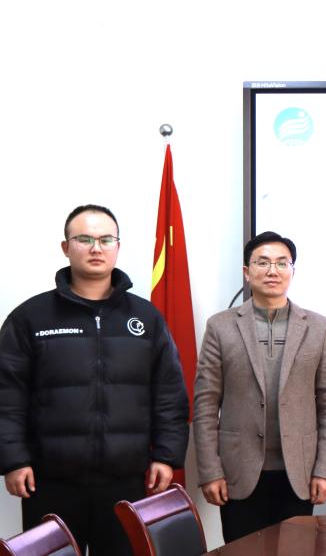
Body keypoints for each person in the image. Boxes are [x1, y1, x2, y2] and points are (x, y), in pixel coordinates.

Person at [0, 204, 189, 555]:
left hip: (126, 483)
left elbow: (169, 394)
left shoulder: (146, 317)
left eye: (105, 240)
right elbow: (7, 396)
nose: (96, 248)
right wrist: (14, 460)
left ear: (118, 246)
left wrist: (166, 456)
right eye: (84, 239)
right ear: (66, 247)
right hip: (50, 483)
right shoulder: (30, 317)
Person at [193, 231, 326, 542]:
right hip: (238, 473)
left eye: (281, 263)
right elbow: (205, 404)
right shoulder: (220, 326)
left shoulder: (319, 328)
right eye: (262, 263)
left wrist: (325, 470)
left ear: (292, 271)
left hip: (299, 474)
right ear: (247, 272)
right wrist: (210, 471)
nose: (273, 271)